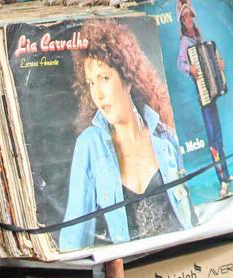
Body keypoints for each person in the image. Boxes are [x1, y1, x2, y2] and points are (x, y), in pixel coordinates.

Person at [60, 19, 194, 252]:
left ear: (127, 77)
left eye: (104, 78)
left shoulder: (165, 137)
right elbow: (73, 241)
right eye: (91, 83)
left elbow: (192, 216)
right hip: (133, 274)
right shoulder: (90, 145)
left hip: (182, 262)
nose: (98, 94)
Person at [175, 0, 233, 195]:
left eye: (190, 16)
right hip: (204, 96)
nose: (188, 20)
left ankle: (225, 174)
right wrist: (189, 68)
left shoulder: (201, 40)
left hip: (213, 92)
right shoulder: (185, 42)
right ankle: (222, 180)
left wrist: (220, 65)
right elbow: (180, 64)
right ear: (182, 22)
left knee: (218, 136)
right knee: (212, 139)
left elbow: (214, 59)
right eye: (185, 18)